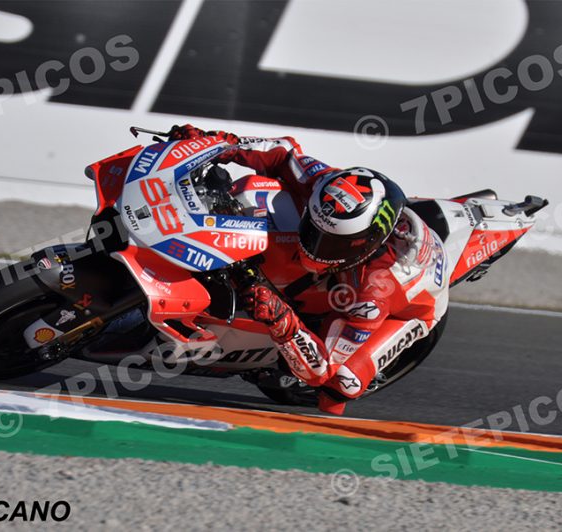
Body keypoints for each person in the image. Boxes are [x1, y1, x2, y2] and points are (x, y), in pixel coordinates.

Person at [170, 124, 449, 415]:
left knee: (340, 385)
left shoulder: (372, 293)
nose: (315, 247)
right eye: (313, 230)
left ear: (365, 244)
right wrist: (221, 144)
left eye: (332, 243)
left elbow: (322, 367)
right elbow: (284, 151)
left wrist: (281, 319)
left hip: (412, 309)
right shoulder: (328, 185)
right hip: (365, 260)